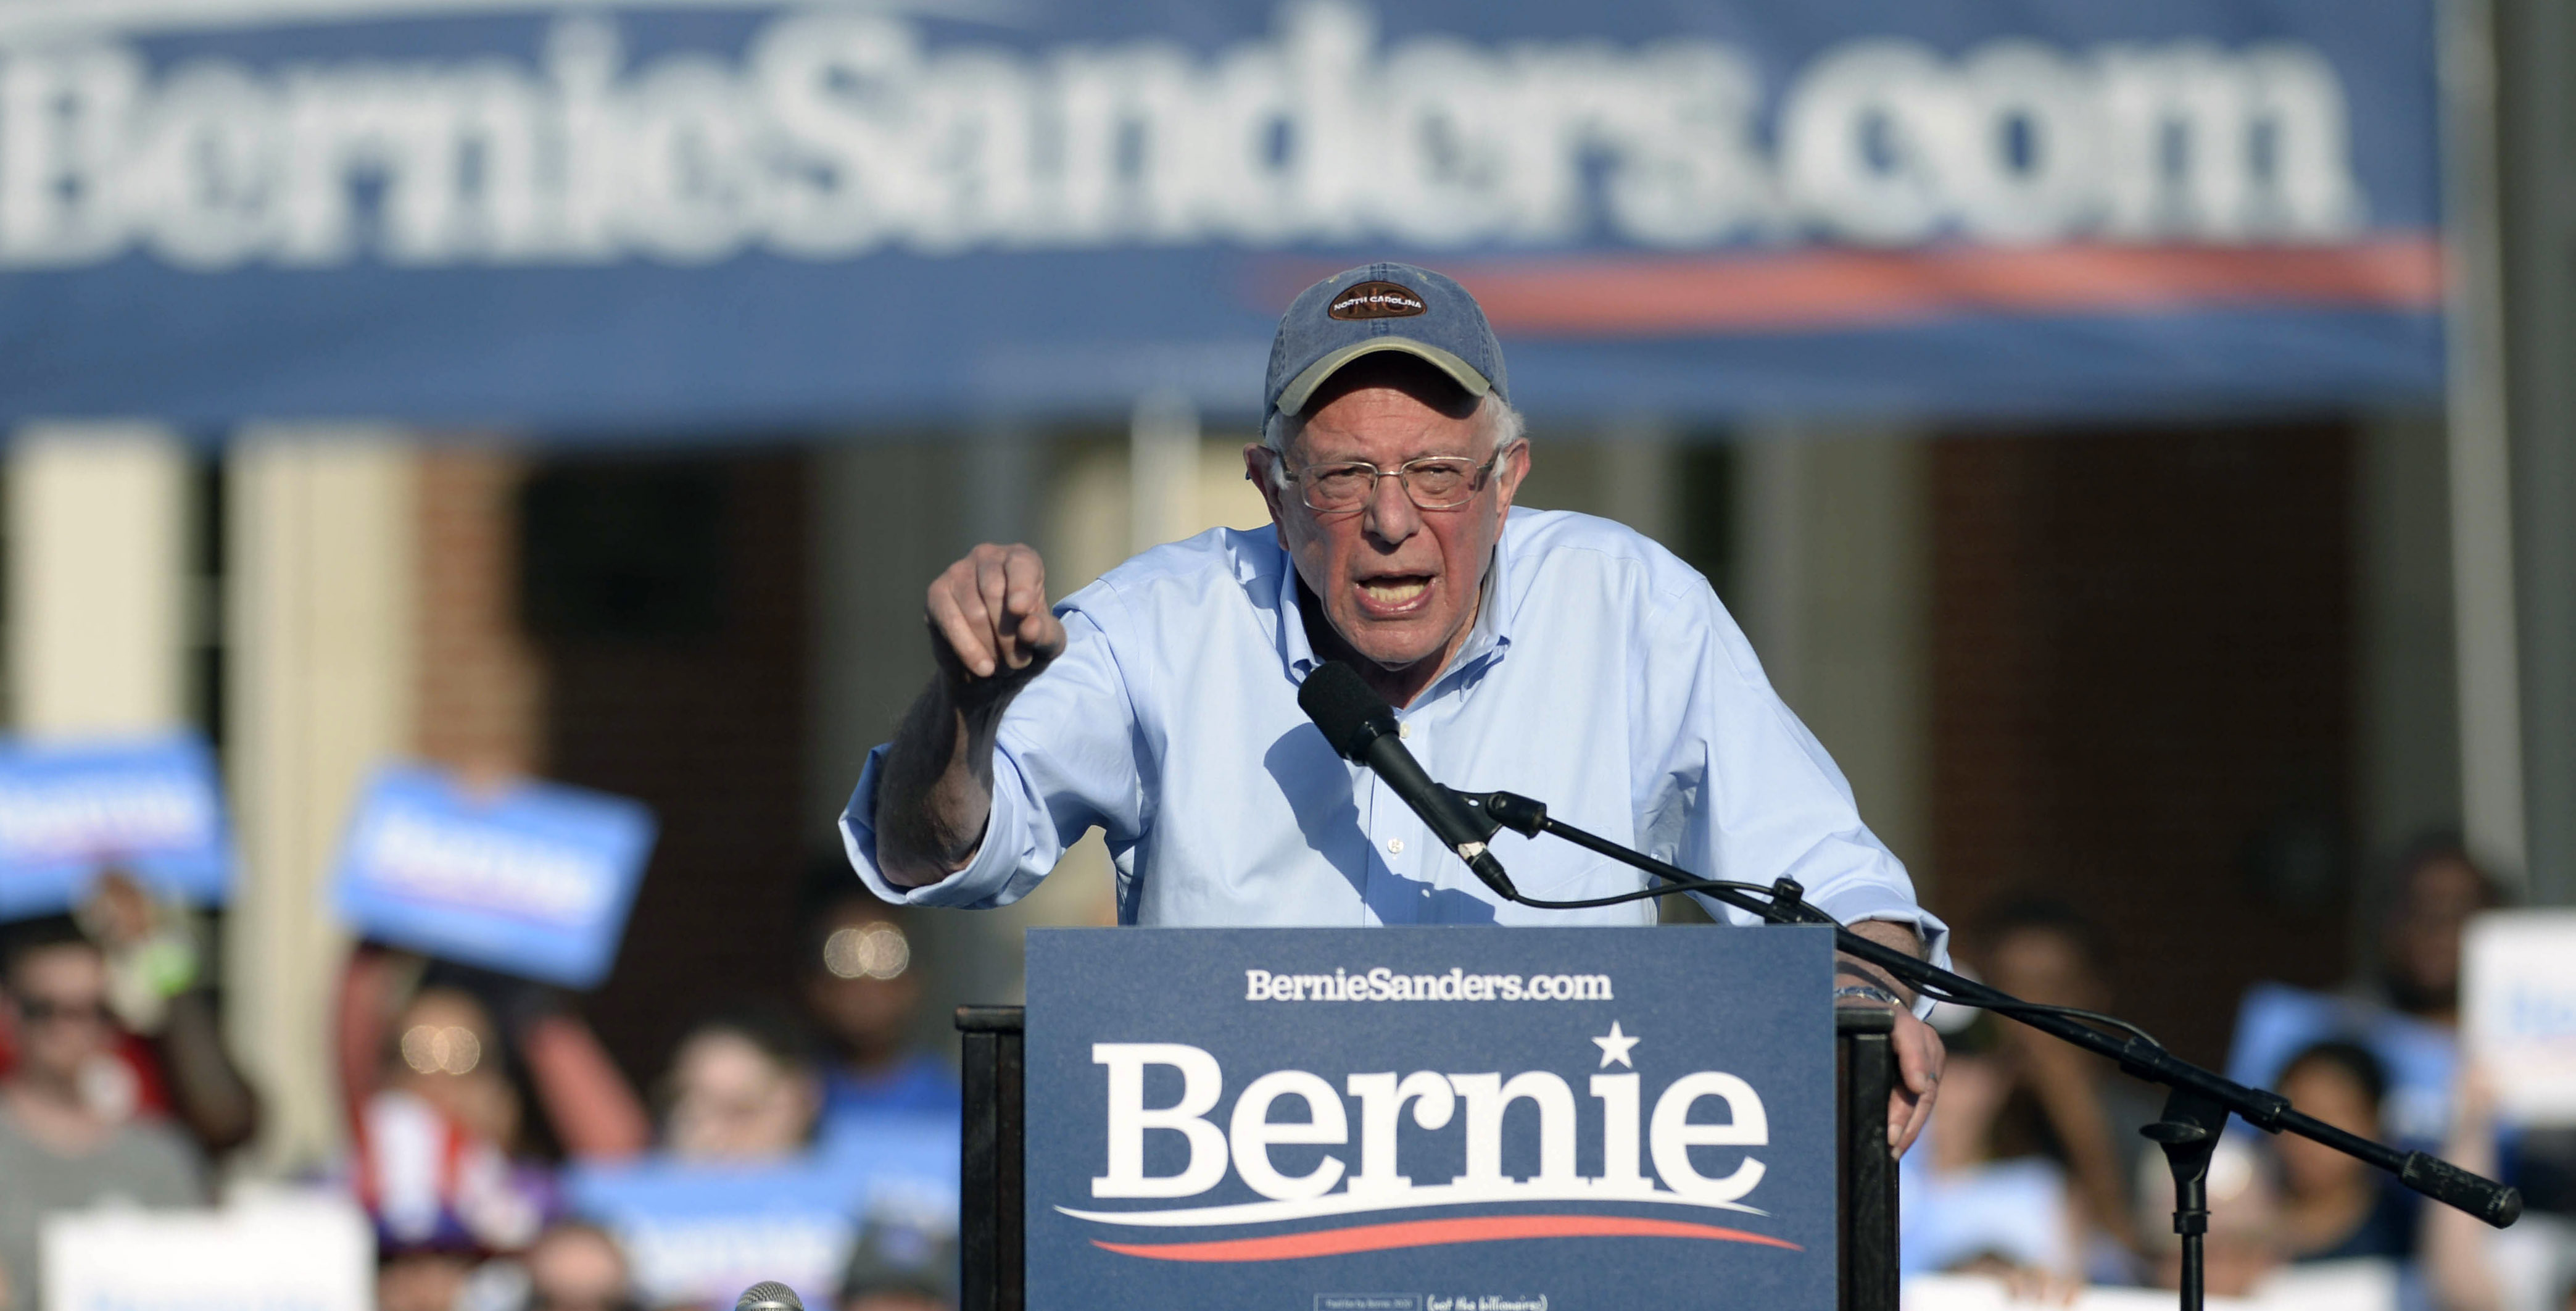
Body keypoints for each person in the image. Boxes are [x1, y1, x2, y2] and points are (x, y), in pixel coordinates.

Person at [845, 261, 1945, 1151]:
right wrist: (964, 707)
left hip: (1570, 1208)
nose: (1389, 519)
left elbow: (1837, 885)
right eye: (1339, 477)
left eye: (1434, 472)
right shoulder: (1156, 623)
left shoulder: (1632, 603)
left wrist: (1862, 992)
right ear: (1271, 489)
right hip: (1239, 1224)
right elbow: (929, 852)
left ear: (1506, 479)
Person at [0, 917, 204, 1311]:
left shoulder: (162, 1155)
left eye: (93, 1010)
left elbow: (233, 1115)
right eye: (46, 1010)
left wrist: (156, 945)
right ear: (10, 1011)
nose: (71, 1028)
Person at [801, 893, 958, 1139]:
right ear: (817, 987)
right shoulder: (793, 1103)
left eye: (887, 956)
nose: (866, 989)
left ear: (914, 984)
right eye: (842, 959)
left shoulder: (953, 1105)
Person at [2272, 1041, 2416, 1263]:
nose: (2310, 1138)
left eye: (2332, 1117)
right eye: (2298, 1116)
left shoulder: (2407, 1231)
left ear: (2374, 1123)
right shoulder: (2230, 1219)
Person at [660, 1007, 822, 1162]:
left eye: (741, 1111)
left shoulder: (843, 1179)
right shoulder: (650, 1175)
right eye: (694, 1117)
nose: (712, 1136)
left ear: (803, 1099)